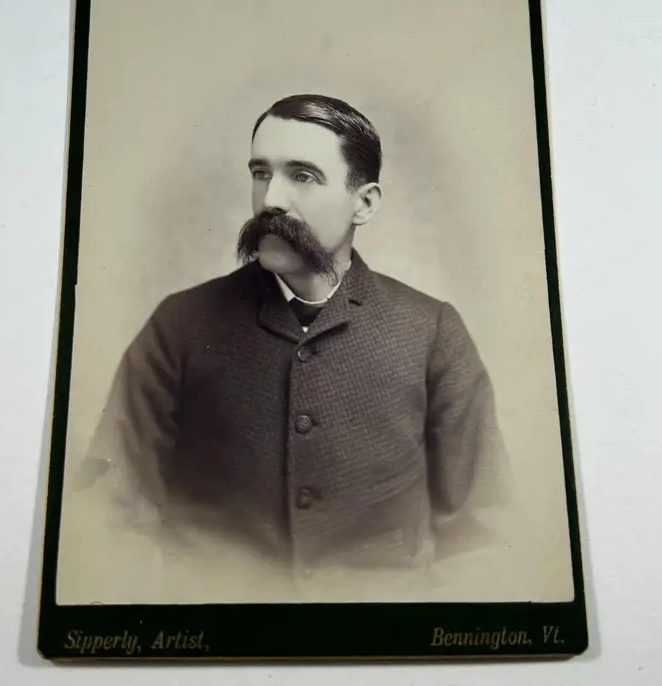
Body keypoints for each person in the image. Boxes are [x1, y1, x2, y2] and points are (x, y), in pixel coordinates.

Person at [79, 93, 508, 584]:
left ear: (364, 203)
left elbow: (484, 531)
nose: (272, 200)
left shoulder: (431, 330)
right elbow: (110, 513)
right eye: (261, 173)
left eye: (302, 176)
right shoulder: (180, 323)